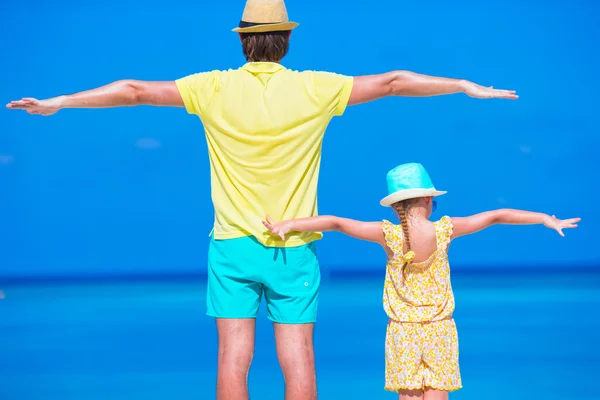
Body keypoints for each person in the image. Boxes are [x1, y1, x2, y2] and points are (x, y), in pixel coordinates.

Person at [5, 1, 519, 399]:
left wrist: (59, 102)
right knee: (298, 357)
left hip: (230, 246)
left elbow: (135, 89)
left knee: (233, 356)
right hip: (293, 246)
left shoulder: (210, 88)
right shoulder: (317, 88)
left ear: (245, 44)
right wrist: (463, 85)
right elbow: (392, 81)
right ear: (286, 42)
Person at [262, 162, 580, 400]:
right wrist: (545, 219)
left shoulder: (387, 234)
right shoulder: (444, 229)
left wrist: (289, 224)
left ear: (396, 205)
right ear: (428, 200)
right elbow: (496, 215)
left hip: (402, 332)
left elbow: (336, 223)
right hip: (440, 329)